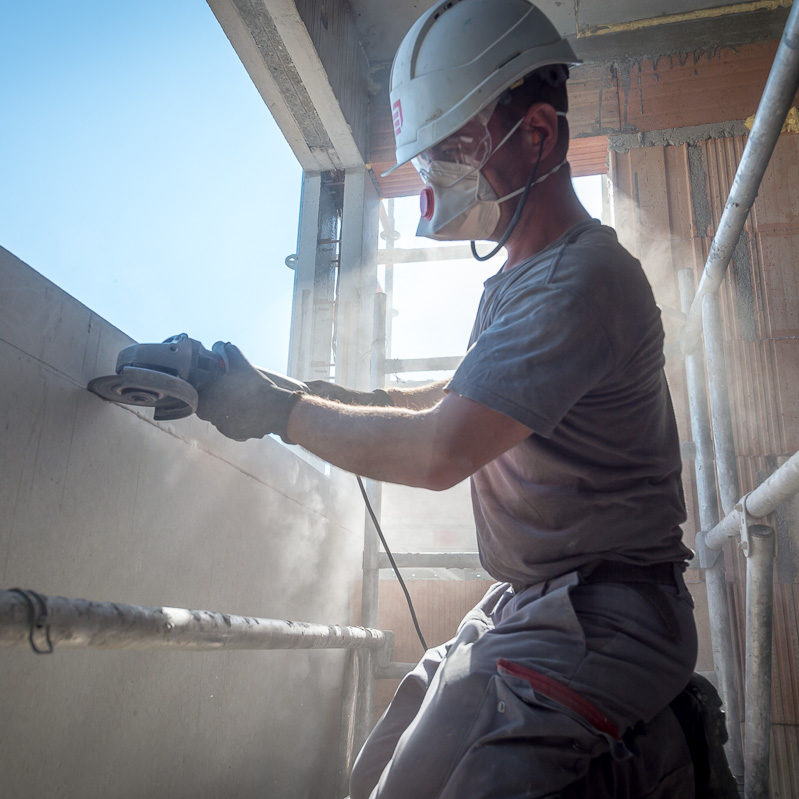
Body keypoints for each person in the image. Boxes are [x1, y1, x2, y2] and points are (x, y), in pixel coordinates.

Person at [195, 1, 698, 796]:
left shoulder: (580, 280)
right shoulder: (516, 282)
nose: (433, 179)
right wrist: (294, 390)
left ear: (536, 132)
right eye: (427, 159)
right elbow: (450, 397)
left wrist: (276, 413)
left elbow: (439, 449)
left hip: (609, 611)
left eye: (450, 154)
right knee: (378, 770)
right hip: (532, 600)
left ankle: (659, 753)